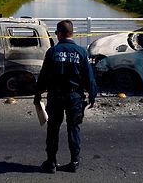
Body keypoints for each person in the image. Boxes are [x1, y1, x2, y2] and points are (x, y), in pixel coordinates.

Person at [34, 20, 97, 174]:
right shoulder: (81, 52)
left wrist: (37, 95)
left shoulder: (52, 52)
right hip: (74, 97)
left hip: (55, 97)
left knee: (53, 129)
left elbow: (43, 77)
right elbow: (89, 77)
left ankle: (51, 163)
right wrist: (93, 95)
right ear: (72, 33)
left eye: (56, 33)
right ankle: (74, 162)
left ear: (60, 34)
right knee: (73, 128)